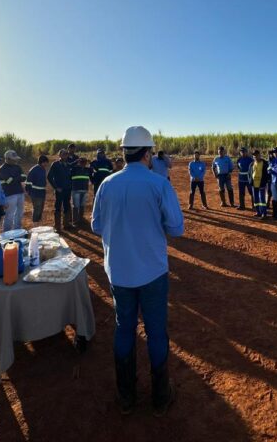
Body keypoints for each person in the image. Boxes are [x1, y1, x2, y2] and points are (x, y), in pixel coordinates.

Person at [91, 125, 184, 416]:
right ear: (147, 153)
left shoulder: (107, 184)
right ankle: (159, 396)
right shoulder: (158, 184)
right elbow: (176, 227)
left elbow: (95, 225)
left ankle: (126, 394)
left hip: (118, 272)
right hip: (153, 272)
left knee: (124, 328)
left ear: (124, 152)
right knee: (156, 331)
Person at [0, 150, 27, 231]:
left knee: (19, 214)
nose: (16, 161)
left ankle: (17, 231)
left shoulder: (18, 167)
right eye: (13, 159)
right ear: (7, 159)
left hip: (20, 193)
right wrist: (17, 177)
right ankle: (7, 233)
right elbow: (8, 181)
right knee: (9, 215)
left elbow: (24, 177)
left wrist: (14, 177)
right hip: (10, 194)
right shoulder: (2, 169)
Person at [47, 148, 74, 232]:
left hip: (67, 189)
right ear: (59, 155)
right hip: (60, 190)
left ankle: (66, 224)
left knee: (66, 206)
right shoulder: (55, 164)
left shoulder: (68, 164)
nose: (65, 155)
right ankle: (57, 227)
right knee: (58, 207)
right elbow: (49, 177)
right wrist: (56, 187)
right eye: (63, 154)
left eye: (66, 154)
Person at [25, 155, 49, 224]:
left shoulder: (42, 169)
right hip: (35, 193)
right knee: (37, 209)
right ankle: (35, 223)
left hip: (41, 193)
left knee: (40, 208)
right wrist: (29, 192)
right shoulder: (34, 169)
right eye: (46, 162)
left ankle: (38, 221)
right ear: (42, 162)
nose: (47, 164)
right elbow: (28, 181)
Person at [249, 150, 270, 218]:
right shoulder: (252, 164)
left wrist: (265, 181)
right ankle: (258, 212)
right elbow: (249, 173)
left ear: (259, 155)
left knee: (262, 199)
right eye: (254, 155)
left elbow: (268, 173)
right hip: (254, 184)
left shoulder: (265, 163)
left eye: (256, 155)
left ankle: (264, 213)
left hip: (261, 184)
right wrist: (250, 181)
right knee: (256, 199)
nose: (255, 156)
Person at [70, 157, 91, 227]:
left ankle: (81, 219)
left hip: (84, 190)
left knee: (82, 206)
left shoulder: (87, 169)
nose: (83, 163)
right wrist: (75, 161)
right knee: (76, 206)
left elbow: (94, 169)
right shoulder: (74, 169)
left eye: (85, 162)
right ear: (79, 162)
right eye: (82, 162)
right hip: (76, 190)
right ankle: (75, 221)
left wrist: (91, 162)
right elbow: (68, 166)